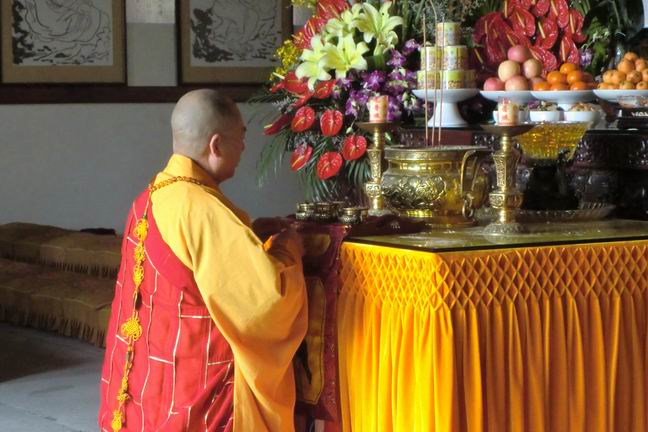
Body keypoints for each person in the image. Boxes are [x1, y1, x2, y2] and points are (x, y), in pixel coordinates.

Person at [98, 89, 307, 431]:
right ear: (216, 145)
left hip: (157, 380)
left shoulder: (153, 194)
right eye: (240, 138)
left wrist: (249, 235)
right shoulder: (202, 209)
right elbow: (266, 303)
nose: (243, 148)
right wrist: (288, 249)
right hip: (202, 387)